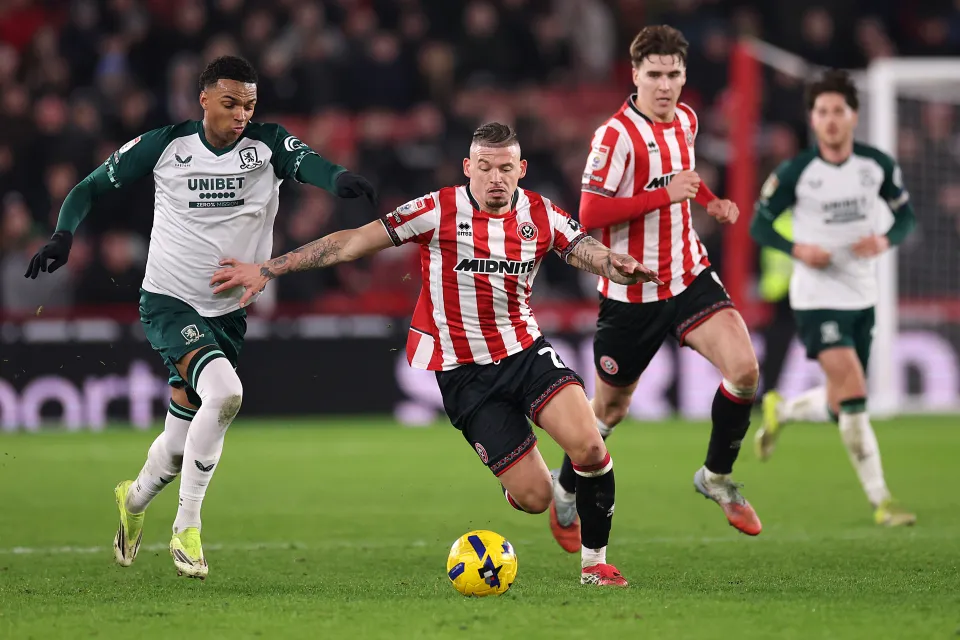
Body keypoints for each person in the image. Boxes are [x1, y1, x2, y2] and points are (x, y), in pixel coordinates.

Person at [210, 122, 663, 586]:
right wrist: (268, 267)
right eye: (484, 167)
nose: (495, 178)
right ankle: (533, 482)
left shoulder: (540, 214)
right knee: (534, 498)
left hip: (524, 352)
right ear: (468, 168)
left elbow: (582, 247)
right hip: (465, 377)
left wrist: (614, 263)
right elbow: (351, 242)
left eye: (505, 168)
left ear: (521, 169)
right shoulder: (436, 209)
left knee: (590, 447)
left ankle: (594, 566)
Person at [24, 55, 378, 578]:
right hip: (169, 301)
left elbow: (312, 164)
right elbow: (88, 188)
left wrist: (340, 178)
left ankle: (133, 500)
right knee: (226, 393)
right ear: (205, 99)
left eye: (250, 105)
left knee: (176, 443)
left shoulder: (268, 145)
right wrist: (63, 233)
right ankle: (187, 526)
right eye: (231, 103)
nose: (242, 114)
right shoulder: (166, 145)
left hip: (228, 312)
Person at [549, 25, 763, 554]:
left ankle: (716, 476)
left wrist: (708, 201)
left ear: (683, 75)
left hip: (688, 274)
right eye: (655, 75)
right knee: (609, 412)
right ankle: (567, 487)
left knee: (744, 371)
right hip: (630, 296)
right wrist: (666, 195)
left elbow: (683, 176)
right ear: (635, 74)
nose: (665, 86)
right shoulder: (615, 136)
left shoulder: (686, 119)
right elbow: (590, 214)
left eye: (673, 75)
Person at [750, 70, 917, 526]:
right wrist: (797, 248)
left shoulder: (876, 166)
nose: (829, 120)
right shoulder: (797, 172)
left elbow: (906, 218)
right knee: (857, 394)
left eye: (837, 111)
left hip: (862, 295)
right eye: (821, 112)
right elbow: (759, 224)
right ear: (812, 118)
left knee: (842, 402)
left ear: (853, 116)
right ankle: (882, 500)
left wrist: (885, 240)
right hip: (815, 298)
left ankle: (782, 409)